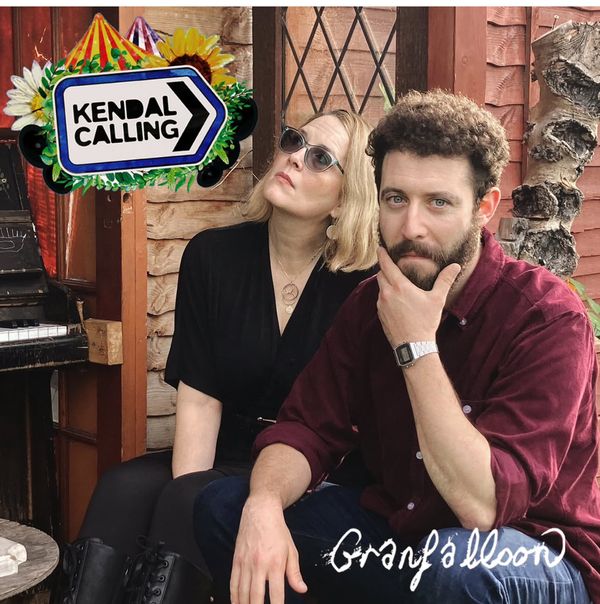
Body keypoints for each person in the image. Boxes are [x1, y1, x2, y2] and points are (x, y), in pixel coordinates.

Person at [195, 90, 600, 604]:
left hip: (530, 556)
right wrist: (265, 505)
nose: (411, 228)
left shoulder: (545, 317)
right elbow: (305, 429)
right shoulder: (369, 304)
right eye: (396, 199)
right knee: (227, 508)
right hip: (404, 538)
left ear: (484, 207)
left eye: (438, 203)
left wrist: (415, 345)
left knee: (455, 567)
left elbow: (483, 505)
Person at [53, 109, 380, 604]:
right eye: (294, 141)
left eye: (320, 159)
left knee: (184, 500)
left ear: (345, 199)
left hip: (311, 466)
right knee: (122, 488)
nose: (294, 158)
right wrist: (191, 492)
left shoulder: (362, 286)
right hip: (226, 449)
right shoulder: (214, 256)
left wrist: (190, 501)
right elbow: (201, 398)